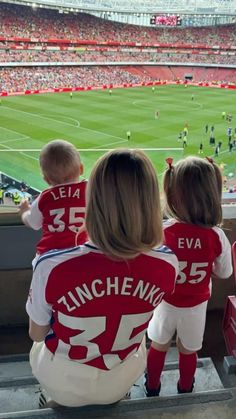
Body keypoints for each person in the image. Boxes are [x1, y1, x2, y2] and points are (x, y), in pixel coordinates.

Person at [26, 149, 179, 407]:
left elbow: (37, 334)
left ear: (93, 201)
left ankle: (54, 398)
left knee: (43, 347)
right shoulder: (168, 263)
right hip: (124, 375)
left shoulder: (52, 265)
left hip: (62, 379)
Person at [145, 156, 232, 397]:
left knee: (158, 346)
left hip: (165, 303)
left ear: (172, 193)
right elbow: (225, 272)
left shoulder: (162, 231)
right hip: (195, 307)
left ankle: (151, 387)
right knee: (188, 351)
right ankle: (186, 389)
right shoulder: (216, 236)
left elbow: (149, 268)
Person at [19, 140, 87, 257]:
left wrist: (24, 211)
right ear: (81, 169)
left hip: (49, 256)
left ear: (46, 179)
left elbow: (33, 223)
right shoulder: (91, 190)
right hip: (82, 253)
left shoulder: (45, 197)